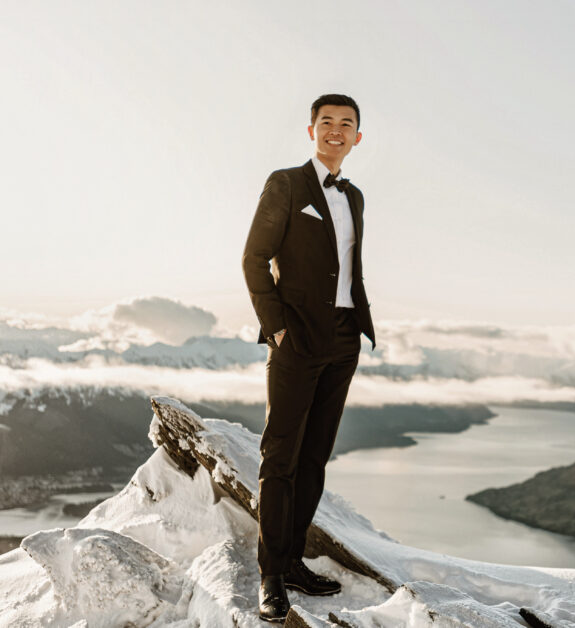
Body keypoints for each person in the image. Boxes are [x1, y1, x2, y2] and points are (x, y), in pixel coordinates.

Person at [242, 93, 376, 623]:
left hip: (344, 339)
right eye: (327, 123)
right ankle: (271, 574)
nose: (336, 131)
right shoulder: (286, 183)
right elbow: (254, 258)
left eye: (347, 124)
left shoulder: (355, 196)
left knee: (315, 456)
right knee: (281, 457)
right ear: (311, 130)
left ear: (358, 137)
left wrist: (355, 325)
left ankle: (294, 560)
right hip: (296, 337)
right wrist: (276, 329)